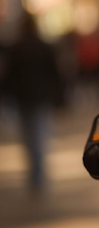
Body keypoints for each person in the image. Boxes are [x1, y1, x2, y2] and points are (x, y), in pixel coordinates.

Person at [2, 13, 64, 195]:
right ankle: (38, 174)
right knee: (39, 135)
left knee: (29, 137)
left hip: (23, 98)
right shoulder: (44, 47)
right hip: (40, 97)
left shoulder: (15, 47)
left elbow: (8, 76)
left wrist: (7, 94)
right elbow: (55, 73)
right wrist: (59, 98)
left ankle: (35, 174)